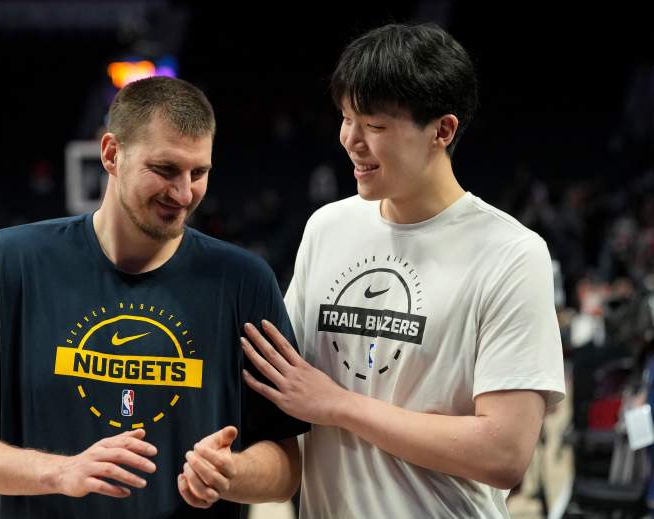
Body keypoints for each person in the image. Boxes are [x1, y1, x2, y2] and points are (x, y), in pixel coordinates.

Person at [0, 76, 307, 518]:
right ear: (111, 154)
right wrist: (60, 472)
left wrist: (232, 473)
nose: (183, 193)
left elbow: (287, 463)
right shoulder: (11, 262)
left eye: (199, 173)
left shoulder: (244, 281)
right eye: (165, 170)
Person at [240, 22, 566, 518]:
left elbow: (504, 453)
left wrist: (340, 406)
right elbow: (285, 390)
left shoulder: (512, 254)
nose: (351, 140)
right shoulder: (328, 227)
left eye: (375, 125)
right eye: (346, 118)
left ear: (443, 130)